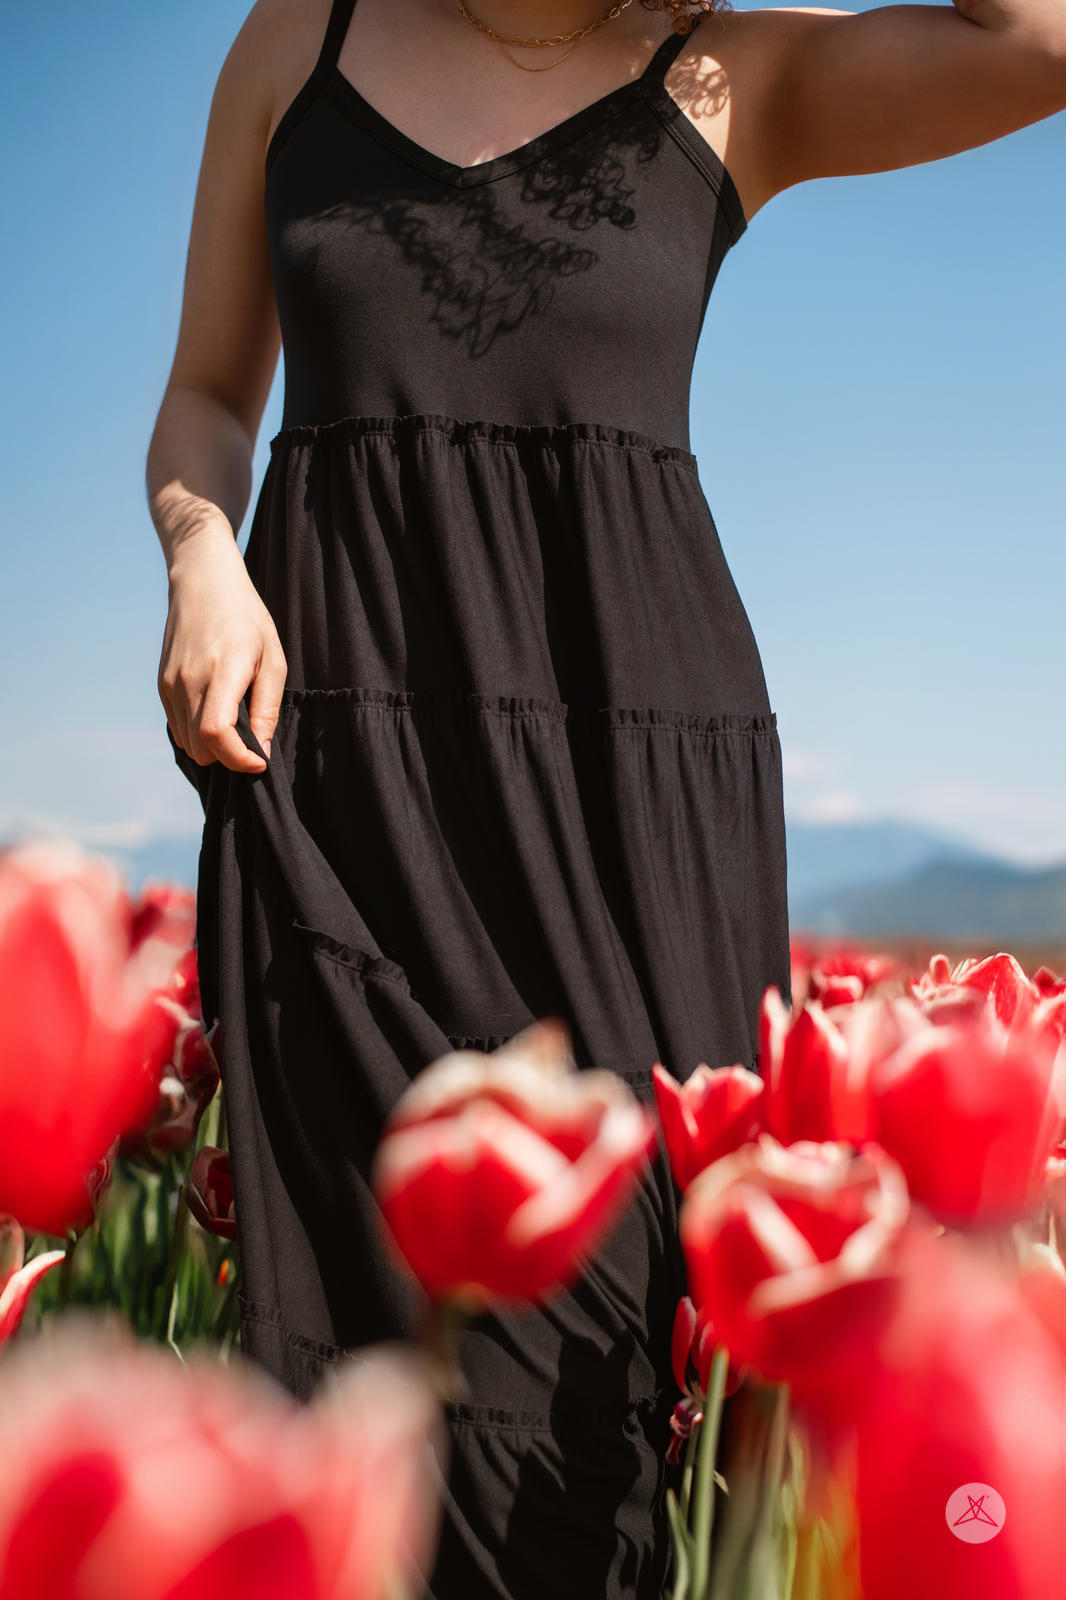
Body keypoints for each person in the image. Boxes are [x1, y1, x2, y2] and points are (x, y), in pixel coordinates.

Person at [145, 0, 1065, 1595]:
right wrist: (200, 554)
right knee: (350, 1381)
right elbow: (209, 397)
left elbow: (1040, 43)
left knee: (601, 1392)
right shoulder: (299, 35)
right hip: (345, 781)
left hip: (629, 788)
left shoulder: (738, 76)